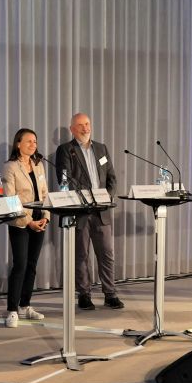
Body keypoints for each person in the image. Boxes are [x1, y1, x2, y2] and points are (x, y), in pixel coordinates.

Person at [55, 113, 124, 310]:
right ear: (72, 129)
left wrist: (108, 197)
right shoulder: (66, 150)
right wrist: (83, 200)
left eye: (87, 124)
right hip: (81, 211)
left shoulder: (101, 148)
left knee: (106, 254)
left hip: (102, 211)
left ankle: (110, 293)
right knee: (81, 255)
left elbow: (111, 178)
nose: (85, 128)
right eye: (80, 125)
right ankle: (84, 294)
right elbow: (64, 180)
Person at [2, 128, 50, 327]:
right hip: (21, 221)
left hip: (40, 218)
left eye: (35, 142)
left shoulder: (38, 166)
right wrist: (29, 220)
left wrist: (46, 216)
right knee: (20, 264)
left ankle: (25, 305)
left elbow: (45, 192)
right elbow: (11, 199)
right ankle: (12, 310)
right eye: (29, 141)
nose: (33, 145)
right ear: (18, 144)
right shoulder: (10, 167)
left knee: (32, 265)